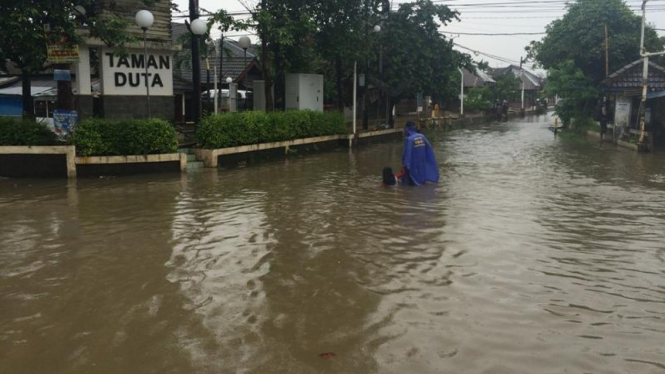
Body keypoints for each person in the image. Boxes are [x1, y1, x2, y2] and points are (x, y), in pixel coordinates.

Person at [401, 122, 439, 186]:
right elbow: (429, 149)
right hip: (421, 164)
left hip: (412, 165)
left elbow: (407, 153)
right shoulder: (422, 136)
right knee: (421, 180)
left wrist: (405, 165)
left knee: (409, 183)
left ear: (407, 129)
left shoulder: (410, 139)